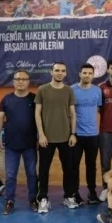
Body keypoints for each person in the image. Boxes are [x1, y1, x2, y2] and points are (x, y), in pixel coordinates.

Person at [35, 62, 78, 213]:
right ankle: (43, 199)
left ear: (65, 73)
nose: (60, 73)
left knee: (68, 170)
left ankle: (68, 196)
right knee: (43, 170)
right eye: (57, 70)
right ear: (51, 72)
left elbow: (72, 114)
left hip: (66, 138)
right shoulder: (42, 89)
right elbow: (37, 113)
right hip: (46, 139)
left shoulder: (69, 91)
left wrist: (73, 134)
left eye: (63, 71)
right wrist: (41, 134)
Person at [0, 70, 38, 215]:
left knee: (32, 174)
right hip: (11, 145)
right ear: (13, 82)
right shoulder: (6, 99)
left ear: (28, 82)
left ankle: (33, 199)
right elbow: (0, 118)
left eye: (24, 79)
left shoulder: (34, 99)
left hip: (30, 144)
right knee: (10, 175)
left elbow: (40, 118)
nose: (20, 81)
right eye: (18, 79)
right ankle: (9, 201)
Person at [72, 64, 104, 205]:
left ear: (93, 75)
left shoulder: (97, 90)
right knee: (74, 166)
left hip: (93, 134)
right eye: (84, 73)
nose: (87, 75)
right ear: (80, 74)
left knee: (91, 166)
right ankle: (75, 193)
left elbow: (98, 109)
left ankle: (92, 192)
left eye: (90, 73)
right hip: (76, 135)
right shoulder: (72, 90)